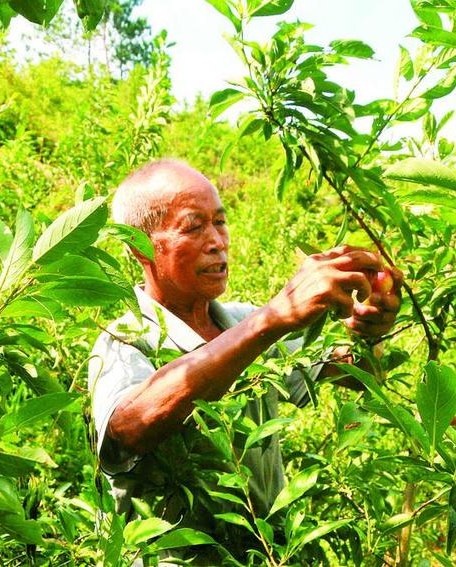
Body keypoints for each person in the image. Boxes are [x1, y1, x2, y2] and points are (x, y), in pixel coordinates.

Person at [87, 159, 401, 560]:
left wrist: (370, 330)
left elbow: (356, 373)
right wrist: (272, 320)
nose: (217, 240)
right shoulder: (125, 338)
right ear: (140, 245)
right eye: (193, 226)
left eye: (220, 222)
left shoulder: (240, 320)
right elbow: (125, 432)